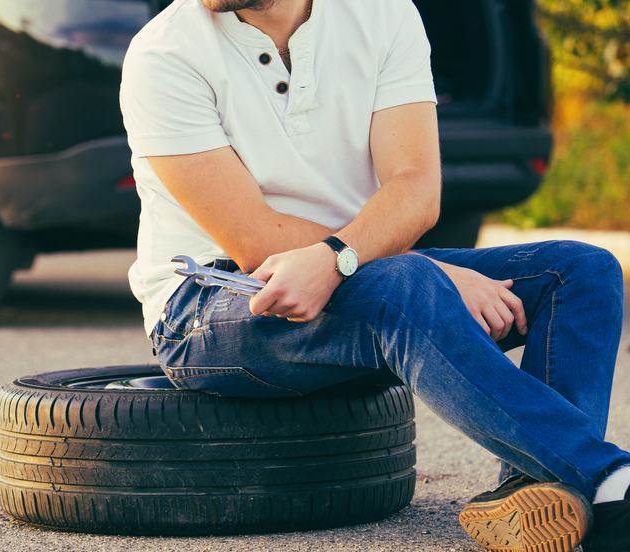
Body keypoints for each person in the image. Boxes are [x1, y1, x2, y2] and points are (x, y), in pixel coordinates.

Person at [118, 0, 630, 550]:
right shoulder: (163, 52)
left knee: (581, 271)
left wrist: (372, 260)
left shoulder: (383, 14)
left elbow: (415, 186)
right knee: (404, 285)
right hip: (211, 305)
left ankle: (541, 491)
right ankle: (608, 483)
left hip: (364, 279)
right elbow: (255, 238)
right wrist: (424, 269)